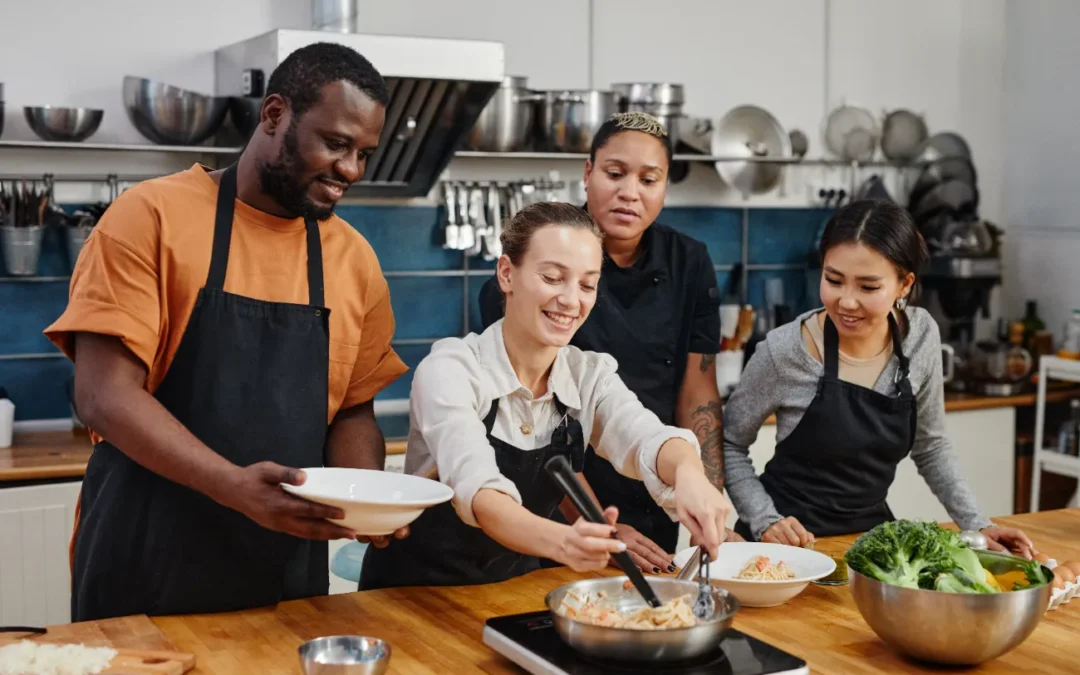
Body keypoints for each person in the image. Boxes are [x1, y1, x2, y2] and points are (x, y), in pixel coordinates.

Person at [44, 42, 412, 621]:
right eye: (335, 144)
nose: (351, 170)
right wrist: (234, 486)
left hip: (285, 569)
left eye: (363, 153)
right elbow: (103, 395)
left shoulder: (354, 259)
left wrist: (366, 495)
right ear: (274, 115)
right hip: (146, 556)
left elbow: (351, 409)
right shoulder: (150, 217)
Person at [359, 202, 732, 590]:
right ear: (507, 274)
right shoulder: (451, 369)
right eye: (553, 278)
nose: (572, 300)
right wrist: (567, 542)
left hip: (509, 591)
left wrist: (691, 474)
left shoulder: (588, 375)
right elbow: (481, 492)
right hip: (413, 595)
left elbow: (645, 437)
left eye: (587, 285)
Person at [478, 112, 735, 574]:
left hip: (655, 494)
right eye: (615, 174)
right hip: (551, 509)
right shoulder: (519, 288)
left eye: (648, 178)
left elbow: (690, 397)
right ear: (588, 172)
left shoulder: (688, 261)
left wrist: (704, 493)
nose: (629, 192)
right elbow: (537, 431)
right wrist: (599, 528)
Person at [722, 200, 1036, 558]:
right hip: (781, 550)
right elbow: (728, 444)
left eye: (868, 287)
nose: (847, 302)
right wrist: (765, 520)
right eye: (833, 280)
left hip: (869, 548)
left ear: (904, 285)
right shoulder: (784, 351)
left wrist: (978, 525)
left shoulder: (920, 337)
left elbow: (930, 446)